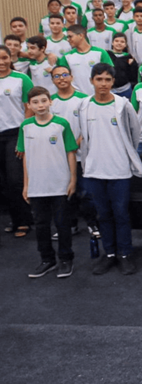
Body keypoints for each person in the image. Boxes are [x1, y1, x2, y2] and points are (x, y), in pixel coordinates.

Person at [80, 63, 142, 275]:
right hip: (94, 170)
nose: (103, 84)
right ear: (92, 81)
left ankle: (125, 253)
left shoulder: (122, 104)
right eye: (99, 79)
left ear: (113, 81)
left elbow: (134, 133)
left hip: (119, 170)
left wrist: (125, 155)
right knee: (103, 214)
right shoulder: (84, 106)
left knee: (121, 213)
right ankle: (108, 253)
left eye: (108, 80)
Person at [19, 87, 78, 278]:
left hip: (59, 183)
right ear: (29, 106)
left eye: (43, 101)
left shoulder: (61, 124)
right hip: (37, 186)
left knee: (62, 224)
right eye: (35, 102)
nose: (40, 105)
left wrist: (73, 179)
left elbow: (71, 152)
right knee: (41, 225)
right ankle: (47, 259)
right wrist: (26, 185)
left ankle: (66, 259)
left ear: (50, 101)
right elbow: (26, 156)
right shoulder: (26, 126)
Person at [0, 45, 33, 238]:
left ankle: (25, 219)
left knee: (15, 180)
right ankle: (14, 219)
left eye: (5, 57)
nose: (2, 62)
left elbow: (28, 107)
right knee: (3, 182)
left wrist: (23, 135)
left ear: (10, 58)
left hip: (15, 133)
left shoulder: (21, 79)